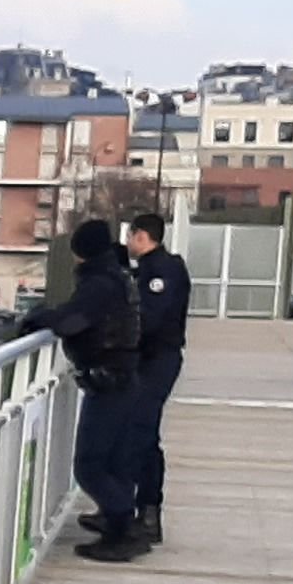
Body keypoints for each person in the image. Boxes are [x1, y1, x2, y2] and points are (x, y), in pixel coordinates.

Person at [18, 216, 149, 561]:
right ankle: (121, 522)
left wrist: (37, 318)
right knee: (114, 461)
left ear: (82, 252)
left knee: (89, 465)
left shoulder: (98, 284)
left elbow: (72, 321)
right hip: (124, 378)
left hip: (108, 381)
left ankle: (121, 530)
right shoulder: (118, 278)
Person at [122, 210, 192, 548]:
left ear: (140, 236)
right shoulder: (157, 269)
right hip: (150, 360)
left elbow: (150, 319)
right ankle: (132, 508)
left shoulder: (160, 272)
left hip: (156, 360)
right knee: (136, 430)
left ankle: (147, 513)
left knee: (142, 431)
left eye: (129, 236)